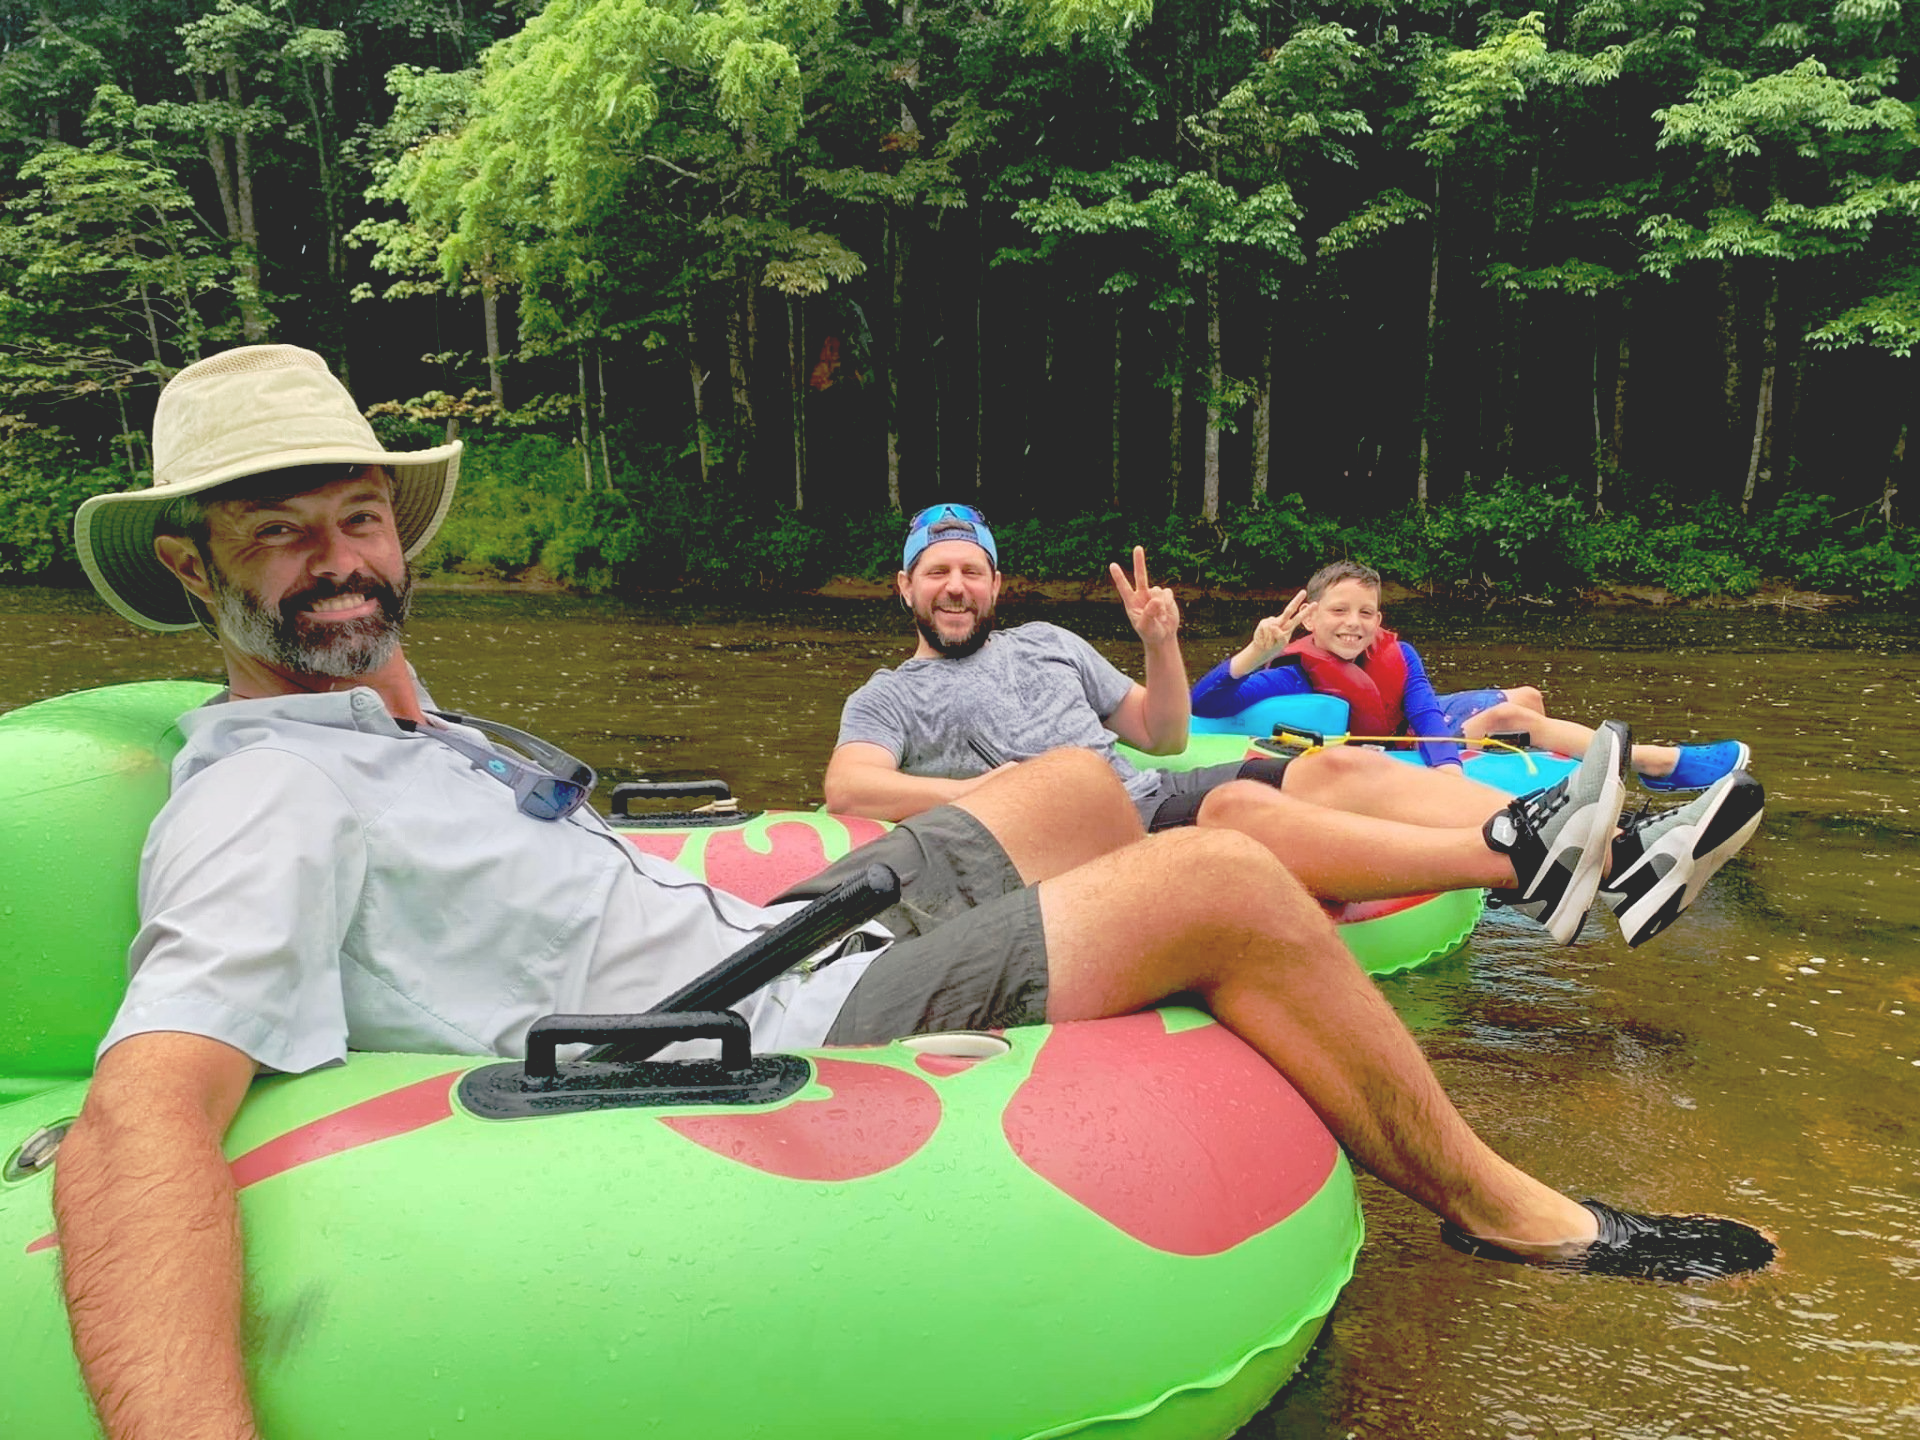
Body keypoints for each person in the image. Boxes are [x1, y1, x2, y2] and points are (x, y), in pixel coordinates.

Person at [55, 349, 1773, 1440]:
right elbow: (144, 1111)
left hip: (761, 925)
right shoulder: (266, 795)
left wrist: (364, 657)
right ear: (194, 566)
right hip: (758, 1015)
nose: (344, 562)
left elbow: (362, 673)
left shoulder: (360, 712)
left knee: (1088, 787)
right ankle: (1494, 1202)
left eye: (362, 520)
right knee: (1221, 878)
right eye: (283, 536)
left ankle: (1530, 850)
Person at [824, 506, 1764, 948]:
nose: (956, 586)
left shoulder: (1050, 644)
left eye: (971, 571)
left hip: (1146, 789)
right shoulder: (889, 694)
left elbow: (1162, 733)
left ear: (995, 582)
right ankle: (1533, 863)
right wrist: (997, 790)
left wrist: (1160, 644)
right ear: (906, 587)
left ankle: (1629, 852)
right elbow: (850, 787)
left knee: (1334, 768)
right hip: (1073, 835)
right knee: (1241, 813)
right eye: (937, 573)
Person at [1192, 560, 1751, 790]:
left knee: (1529, 696)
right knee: (1508, 716)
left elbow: (1423, 710)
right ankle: (1658, 763)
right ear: (1310, 617)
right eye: (1338, 611)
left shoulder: (1398, 653)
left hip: (1413, 728)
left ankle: (1572, 783)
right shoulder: (1291, 675)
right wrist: (1253, 655)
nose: (1353, 624)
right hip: (1382, 750)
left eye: (1366, 613)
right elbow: (1204, 703)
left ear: (1379, 620)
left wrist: (1446, 763)